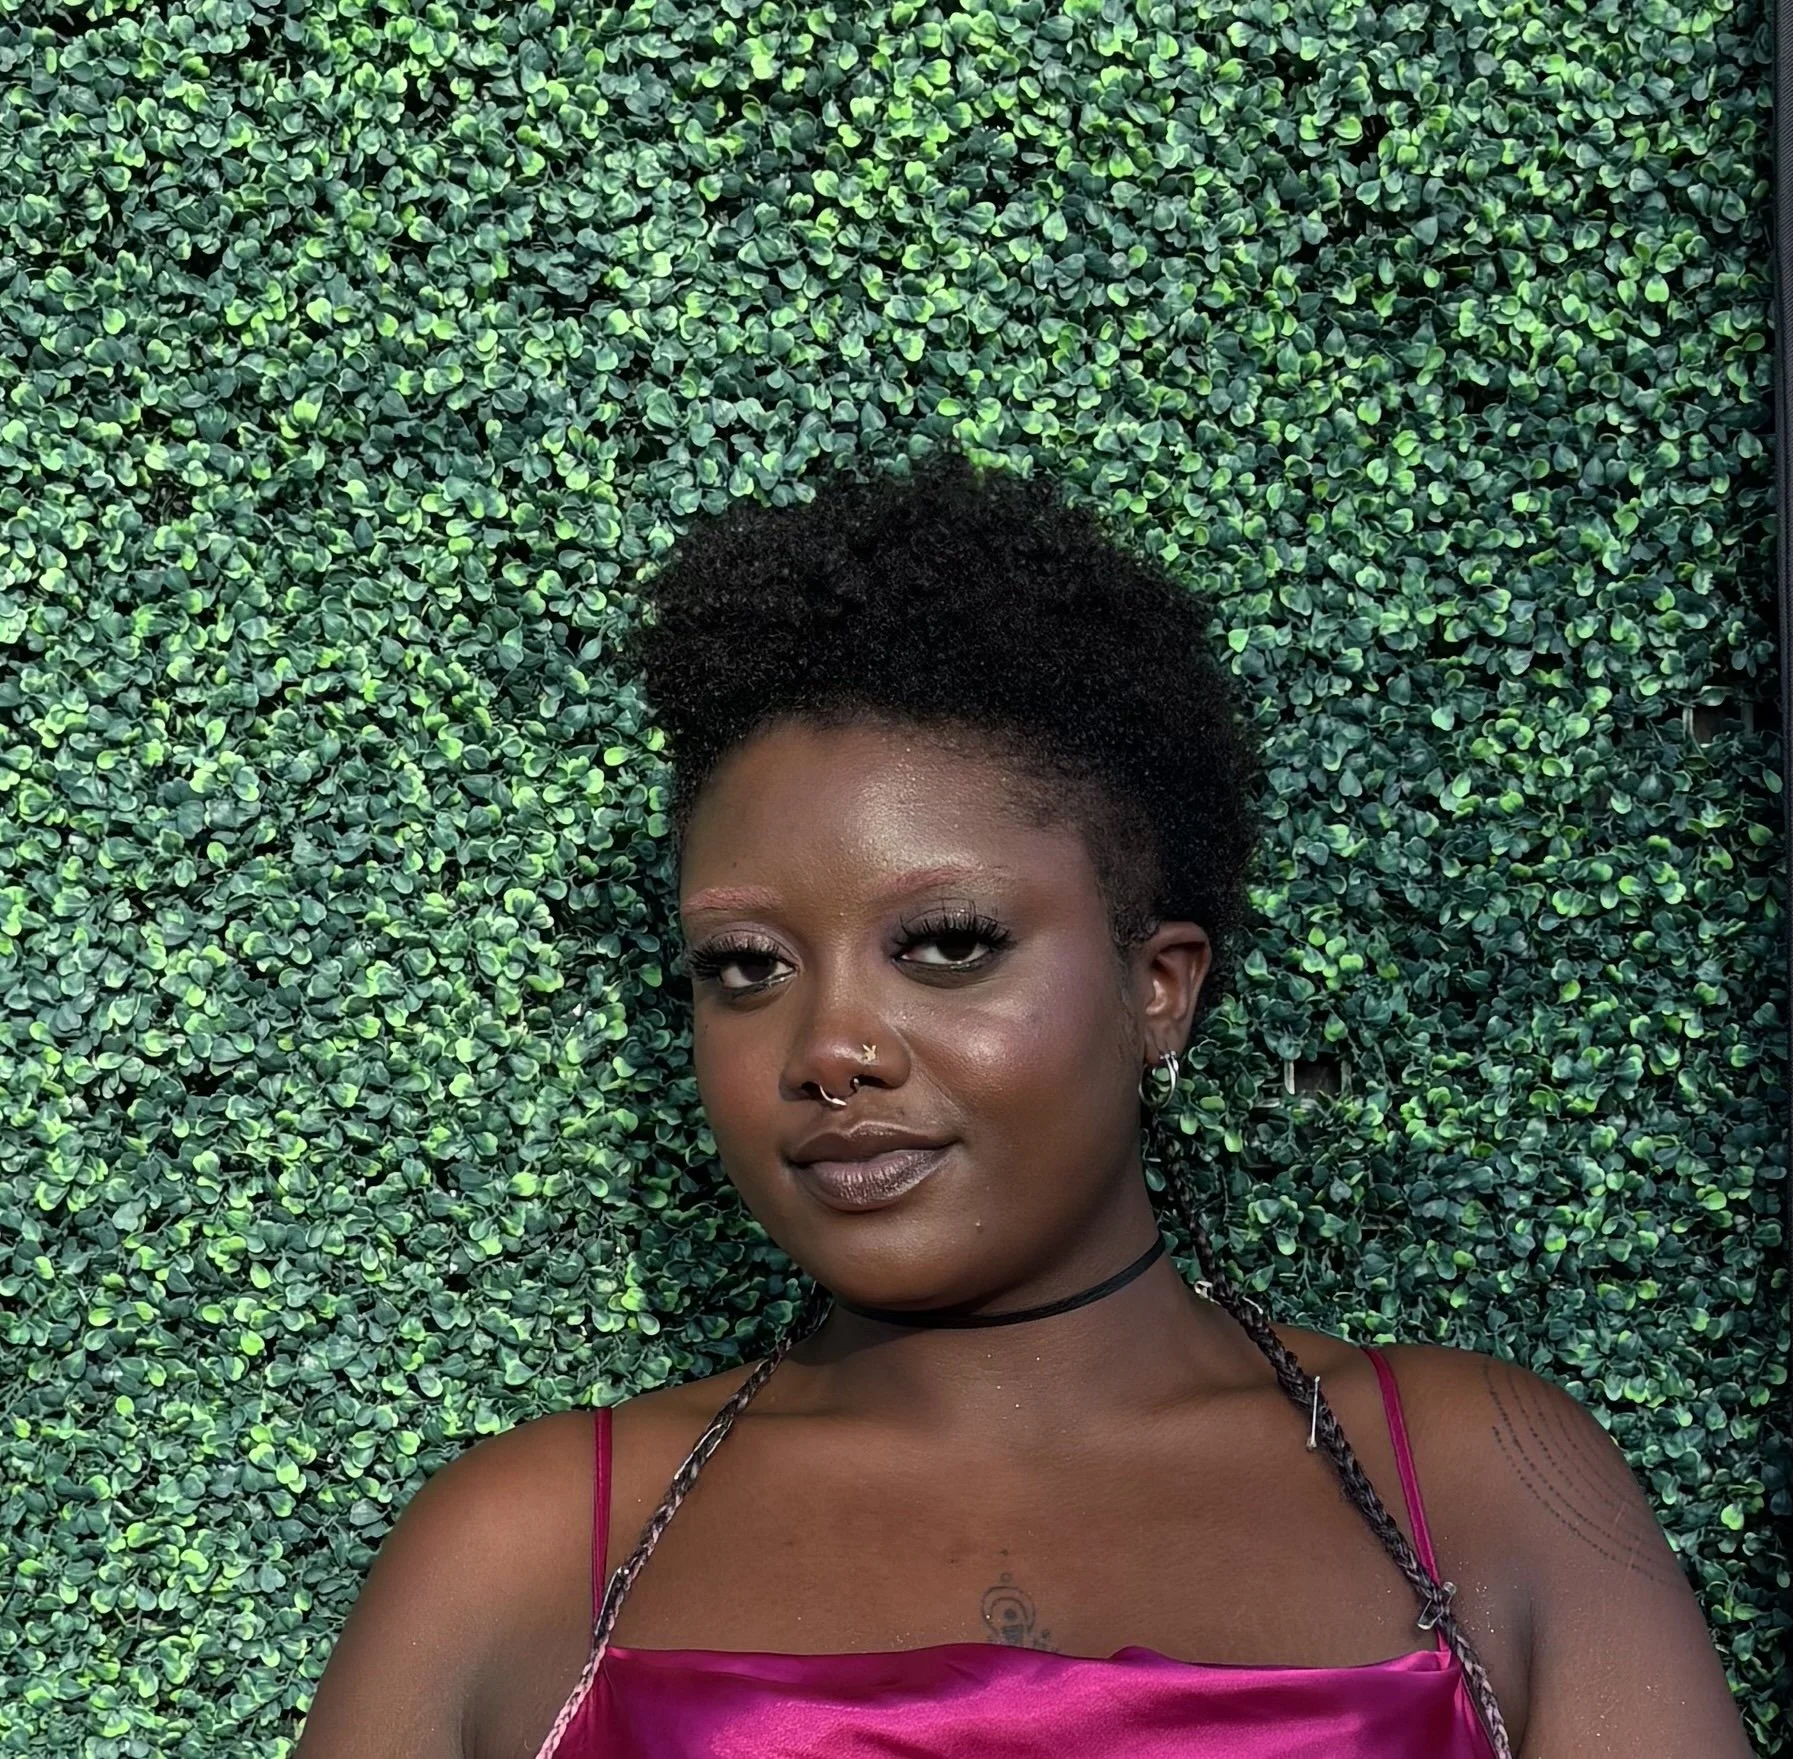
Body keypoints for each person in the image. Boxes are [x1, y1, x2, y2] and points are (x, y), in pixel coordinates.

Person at [296, 450, 1754, 1759]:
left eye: (948, 946)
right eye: (745, 968)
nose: (830, 1048)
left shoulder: (1483, 1481)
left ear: (1158, 987)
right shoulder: (523, 1550)